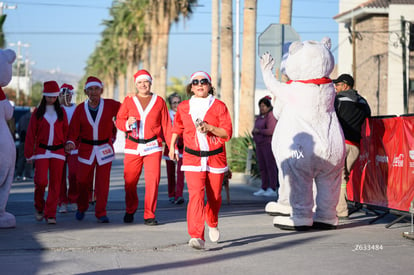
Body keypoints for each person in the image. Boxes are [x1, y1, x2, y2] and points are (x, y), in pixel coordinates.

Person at [169, 71, 232, 250]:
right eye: (195, 82)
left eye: (203, 82)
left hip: (215, 157)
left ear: (210, 85)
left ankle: (212, 221)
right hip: (192, 157)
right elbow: (178, 127)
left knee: (215, 197)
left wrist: (210, 127)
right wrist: (173, 146)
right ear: (191, 87)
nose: (199, 85)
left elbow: (227, 132)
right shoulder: (183, 106)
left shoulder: (219, 106)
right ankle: (196, 235)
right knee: (196, 195)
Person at [116, 69, 172, 225]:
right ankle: (130, 208)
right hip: (133, 146)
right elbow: (119, 120)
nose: (143, 85)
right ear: (136, 84)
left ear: (150, 83)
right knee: (130, 181)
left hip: (153, 146)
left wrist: (171, 147)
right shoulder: (128, 101)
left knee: (153, 181)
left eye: (145, 82)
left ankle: (149, 214)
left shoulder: (159, 101)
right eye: (139, 82)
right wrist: (127, 123)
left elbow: (167, 125)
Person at [65, 76, 120, 223]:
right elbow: (73, 131)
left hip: (104, 149)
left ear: (101, 90)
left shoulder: (111, 105)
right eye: (90, 89)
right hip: (86, 149)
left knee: (103, 184)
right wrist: (70, 142)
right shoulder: (79, 109)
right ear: (85, 91)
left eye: (96, 89)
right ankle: (82, 206)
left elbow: (126, 110)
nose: (94, 92)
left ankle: (101, 212)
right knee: (82, 181)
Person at [24, 81, 69, 224]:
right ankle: (39, 207)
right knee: (41, 181)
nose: (52, 99)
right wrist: (29, 154)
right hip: (42, 151)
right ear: (44, 96)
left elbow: (66, 132)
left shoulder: (61, 112)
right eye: (49, 97)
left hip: (58, 152)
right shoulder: (38, 113)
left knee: (56, 184)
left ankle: (51, 214)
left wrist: (69, 145)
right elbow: (31, 134)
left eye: (54, 97)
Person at [333, 74, 371, 219]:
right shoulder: (363, 102)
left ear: (345, 85)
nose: (335, 87)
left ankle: (341, 211)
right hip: (355, 146)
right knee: (344, 177)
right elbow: (368, 115)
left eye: (337, 84)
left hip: (341, 143)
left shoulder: (338, 100)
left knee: (338, 177)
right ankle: (341, 207)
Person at [252, 96, 279, 197]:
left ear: (268, 107)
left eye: (264, 106)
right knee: (262, 167)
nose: (262, 108)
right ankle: (264, 187)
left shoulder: (271, 116)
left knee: (270, 166)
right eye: (260, 106)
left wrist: (260, 131)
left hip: (268, 144)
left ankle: (272, 187)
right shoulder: (259, 117)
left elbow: (272, 130)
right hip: (259, 145)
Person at [57, 84, 78, 213]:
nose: (66, 98)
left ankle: (73, 199)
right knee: (59, 176)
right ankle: (62, 202)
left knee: (74, 174)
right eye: (63, 95)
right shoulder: (56, 110)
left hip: (74, 147)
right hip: (59, 147)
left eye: (68, 95)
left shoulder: (77, 109)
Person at [164, 93, 185, 205]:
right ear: (170, 104)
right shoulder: (167, 116)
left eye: (178, 102)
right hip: (169, 148)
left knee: (181, 172)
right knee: (171, 173)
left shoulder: (185, 114)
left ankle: (179, 195)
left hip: (182, 148)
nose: (176, 105)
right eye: (174, 103)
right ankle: (171, 194)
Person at [15, 107, 34, 181]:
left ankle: (18, 174)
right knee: (29, 157)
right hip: (30, 140)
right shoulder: (34, 118)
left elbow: (18, 128)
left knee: (21, 158)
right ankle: (27, 175)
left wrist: (20, 137)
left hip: (22, 140)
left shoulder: (22, 117)